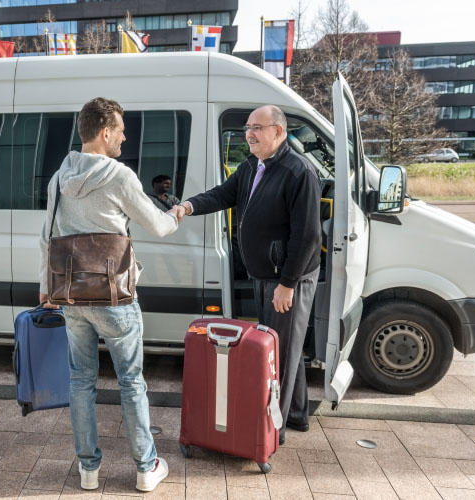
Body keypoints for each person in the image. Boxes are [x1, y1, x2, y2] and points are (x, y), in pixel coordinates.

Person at [39, 97, 179, 492]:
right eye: (119, 130)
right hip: (114, 297)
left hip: (71, 296)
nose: (124, 136)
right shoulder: (119, 175)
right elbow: (158, 226)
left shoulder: (59, 177)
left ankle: (88, 470)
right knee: (131, 382)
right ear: (104, 132)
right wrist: (177, 213)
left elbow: (45, 237)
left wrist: (46, 288)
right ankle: (145, 468)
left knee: (81, 381)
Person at [171, 105, 321, 445]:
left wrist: (287, 283)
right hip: (264, 274)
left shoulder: (299, 172)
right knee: (284, 346)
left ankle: (272, 430)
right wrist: (188, 206)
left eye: (258, 127)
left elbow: (308, 236)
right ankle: (296, 414)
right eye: (248, 127)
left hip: (286, 277)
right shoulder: (253, 164)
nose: (249, 134)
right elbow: (223, 194)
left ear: (279, 132)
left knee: (276, 354)